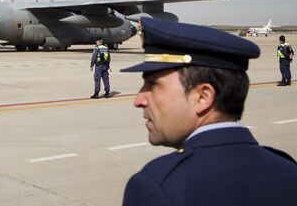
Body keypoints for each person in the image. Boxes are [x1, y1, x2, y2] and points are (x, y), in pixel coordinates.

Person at [120, 18, 297, 206]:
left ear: (203, 96)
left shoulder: (157, 186)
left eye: (152, 85)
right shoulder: (287, 170)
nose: (138, 100)